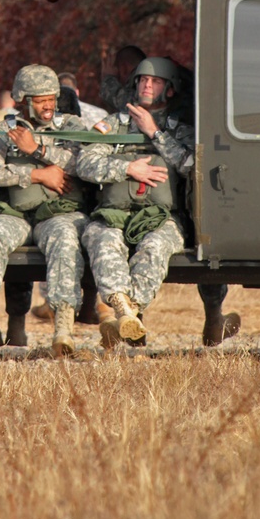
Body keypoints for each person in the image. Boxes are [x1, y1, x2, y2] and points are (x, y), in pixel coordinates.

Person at [78, 57, 240, 348]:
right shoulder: (115, 123)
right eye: (142, 80)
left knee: (155, 247)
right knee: (102, 240)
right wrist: (127, 168)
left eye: (155, 81)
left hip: (161, 217)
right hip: (114, 214)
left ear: (169, 89)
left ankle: (131, 315)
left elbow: (192, 164)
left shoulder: (179, 127)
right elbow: (85, 162)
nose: (147, 85)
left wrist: (155, 132)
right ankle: (124, 312)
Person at [0, 63, 90, 358]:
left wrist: (38, 150)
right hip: (14, 213)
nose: (48, 106)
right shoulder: (5, 129)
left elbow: (82, 164)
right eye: (40, 99)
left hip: (57, 212)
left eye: (51, 99)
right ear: (23, 101)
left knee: (66, 239)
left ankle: (63, 329)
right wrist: (36, 175)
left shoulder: (71, 126)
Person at [99, 44, 145, 113]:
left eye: (116, 68)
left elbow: (128, 104)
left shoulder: (139, 81)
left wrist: (108, 79)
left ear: (124, 69)